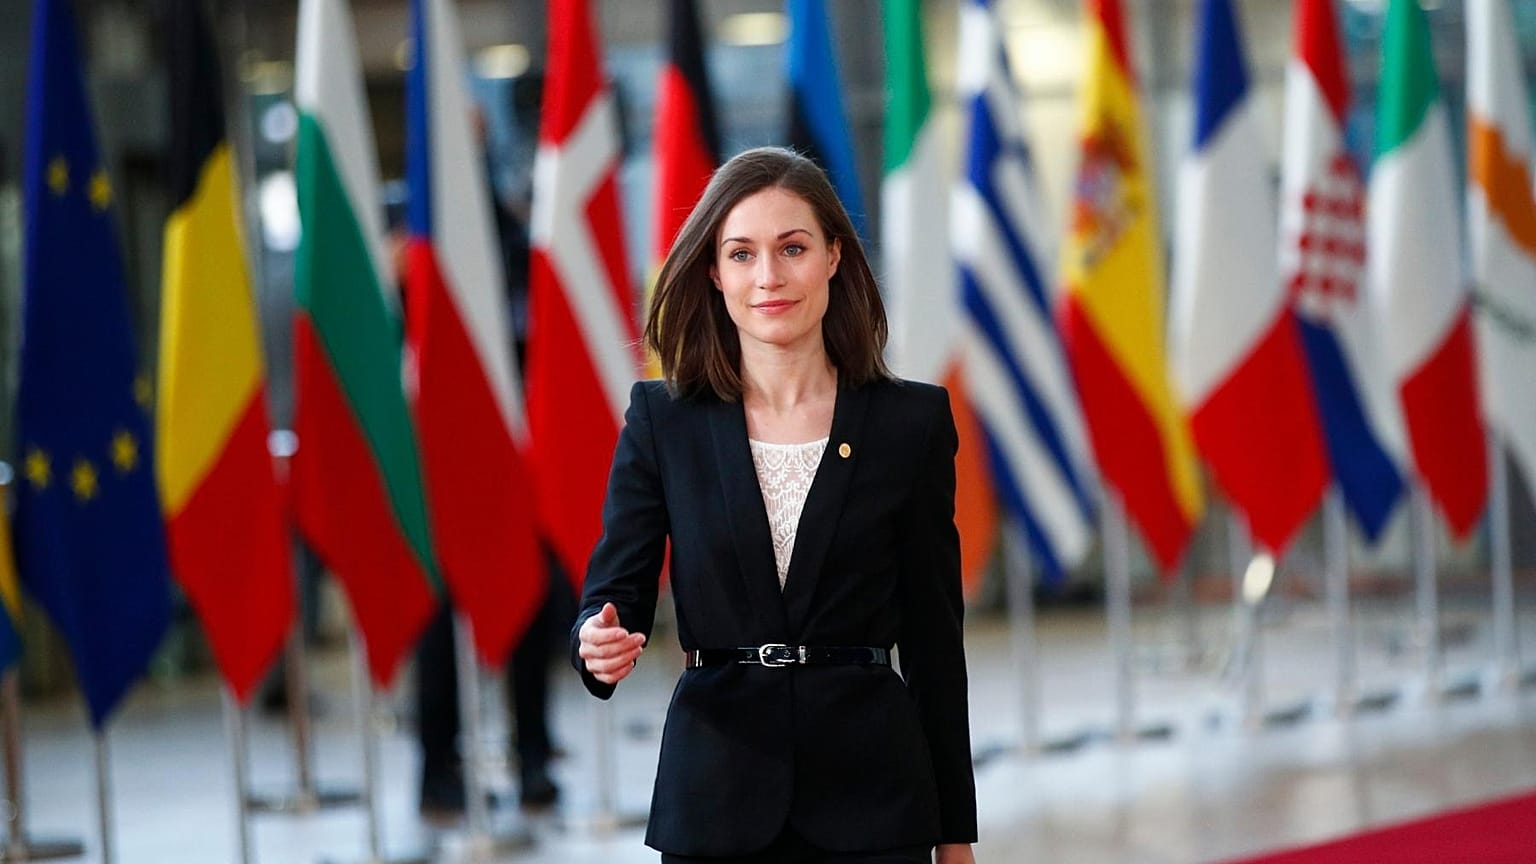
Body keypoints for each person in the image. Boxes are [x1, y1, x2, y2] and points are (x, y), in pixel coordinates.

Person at [571, 147, 977, 864]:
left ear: (833, 258)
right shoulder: (662, 421)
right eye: (741, 253)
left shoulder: (908, 424)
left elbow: (935, 644)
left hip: (876, 803)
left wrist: (955, 835)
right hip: (716, 800)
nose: (768, 277)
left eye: (792, 247)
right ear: (713, 272)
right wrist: (596, 642)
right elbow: (614, 594)